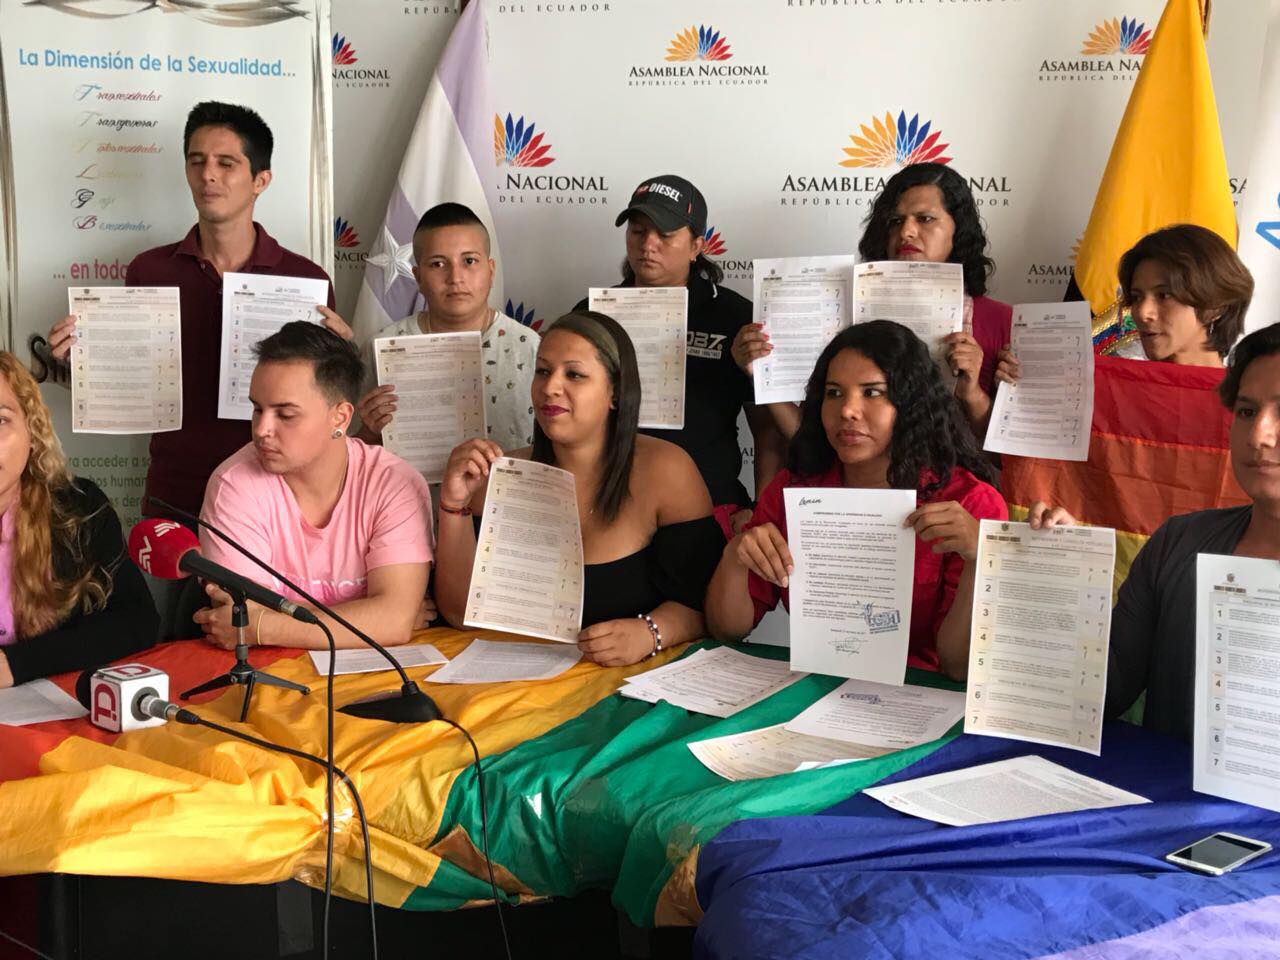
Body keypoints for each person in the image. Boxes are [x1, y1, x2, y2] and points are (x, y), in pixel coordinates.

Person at [43, 101, 351, 637]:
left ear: (261, 180)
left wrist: (343, 354)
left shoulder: (306, 280)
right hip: (175, 498)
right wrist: (79, 364)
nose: (208, 174)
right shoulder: (149, 270)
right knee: (161, 644)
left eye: (226, 163)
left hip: (273, 502)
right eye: (196, 161)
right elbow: (129, 382)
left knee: (261, 645)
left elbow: (323, 399)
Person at [705, 321, 1007, 680]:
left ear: (911, 404)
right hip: (815, 684)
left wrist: (978, 560)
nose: (847, 410)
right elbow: (728, 629)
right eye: (833, 393)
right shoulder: (795, 488)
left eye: (872, 392)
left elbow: (959, 667)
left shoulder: (969, 503)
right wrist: (736, 555)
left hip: (923, 694)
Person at [1027, 322, 1280, 743]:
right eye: (1246, 412)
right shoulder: (1179, 542)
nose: (1258, 435)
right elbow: (1102, 694)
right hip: (1164, 788)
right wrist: (1066, 578)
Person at [434, 311, 725, 667]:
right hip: (517, 678)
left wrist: (651, 632)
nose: (550, 387)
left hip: (633, 681)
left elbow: (709, 608)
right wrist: (454, 505)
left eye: (574, 374)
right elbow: (460, 614)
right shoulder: (498, 473)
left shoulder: (667, 470)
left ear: (615, 392)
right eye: (543, 371)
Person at [194, 323, 433, 651]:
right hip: (271, 671)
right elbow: (239, 617)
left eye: (285, 415)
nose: (262, 429)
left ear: (340, 417)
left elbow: (392, 620)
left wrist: (263, 626)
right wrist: (371, 620)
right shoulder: (233, 485)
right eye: (258, 409)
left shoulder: (394, 484)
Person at [574, 175, 787, 533]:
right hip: (609, 504)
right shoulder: (591, 314)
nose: (648, 244)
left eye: (665, 234)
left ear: (696, 246)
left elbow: (767, 431)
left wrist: (760, 511)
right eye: (638, 231)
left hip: (708, 507)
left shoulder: (736, 317)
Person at [0, 354, 157, 688]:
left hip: (51, 706)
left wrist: (18, 664)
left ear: (32, 430)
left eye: (0, 420)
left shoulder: (80, 509)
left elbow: (137, 620)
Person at [355, 202, 538, 455]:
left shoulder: (529, 348)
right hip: (410, 482)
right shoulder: (381, 349)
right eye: (438, 264)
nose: (455, 278)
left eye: (469, 261)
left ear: (491, 270)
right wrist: (369, 432)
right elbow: (349, 453)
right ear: (418, 277)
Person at [1107, 224, 1254, 366]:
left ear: (1215, 307)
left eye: (1164, 295)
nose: (1142, 312)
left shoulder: (1248, 383)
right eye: (1136, 297)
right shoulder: (1111, 381)